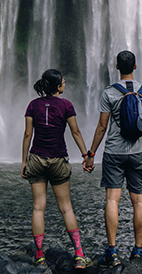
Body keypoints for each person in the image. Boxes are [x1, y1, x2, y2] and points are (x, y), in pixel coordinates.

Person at [83, 51, 142, 267]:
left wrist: (91, 154)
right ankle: (137, 251)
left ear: (117, 66)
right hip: (138, 152)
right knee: (139, 202)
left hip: (114, 152)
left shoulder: (109, 93)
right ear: (135, 67)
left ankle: (112, 252)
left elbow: (101, 127)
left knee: (112, 200)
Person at [21, 69, 92, 270]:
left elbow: (27, 135)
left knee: (38, 208)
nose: (65, 83)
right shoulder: (66, 105)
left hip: (36, 158)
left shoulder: (33, 105)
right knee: (66, 207)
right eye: (63, 81)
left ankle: (39, 256)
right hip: (59, 160)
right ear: (58, 86)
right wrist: (86, 156)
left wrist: (24, 161)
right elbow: (75, 132)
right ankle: (79, 255)